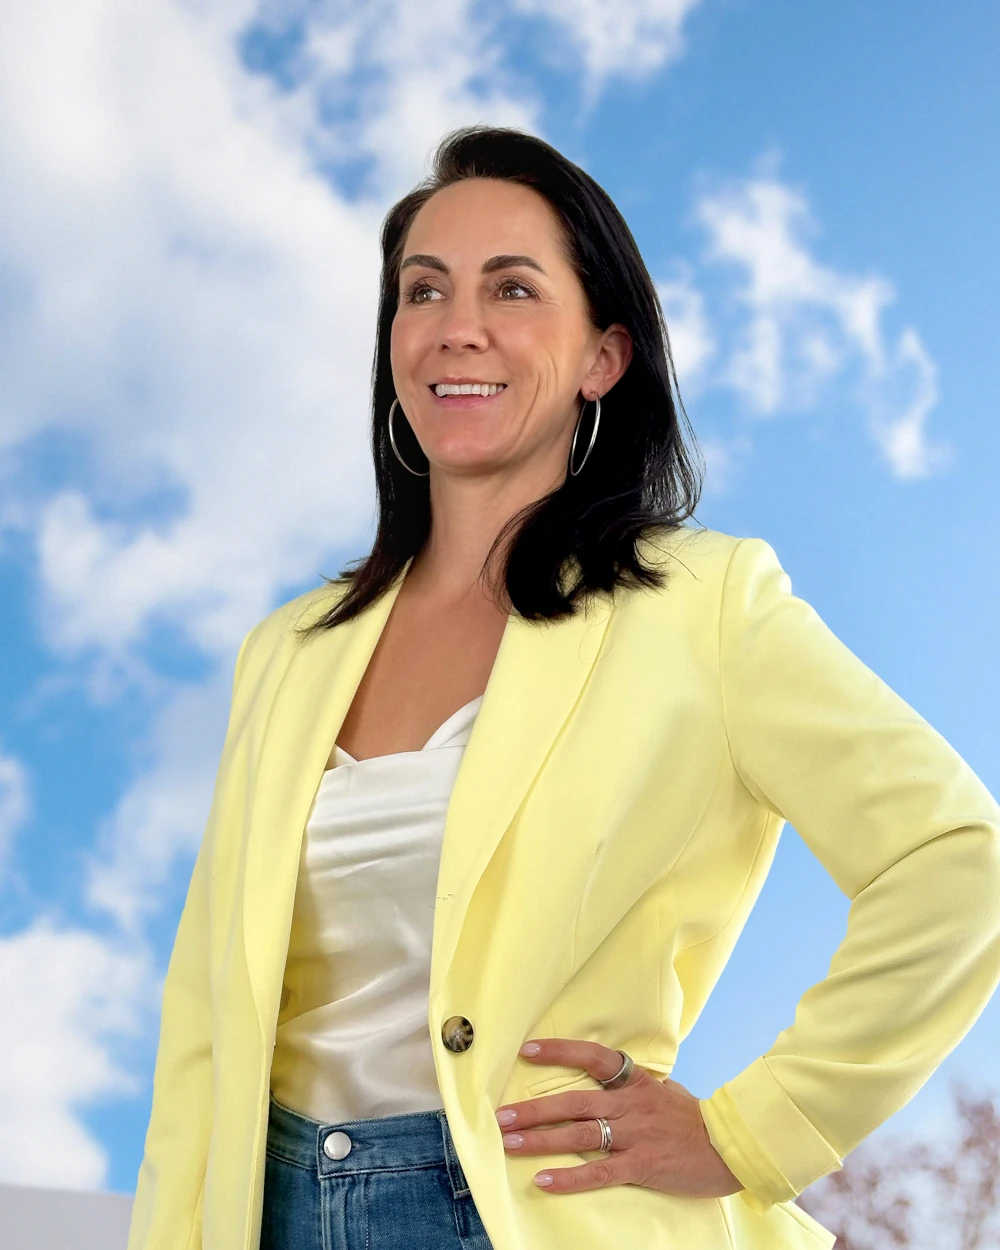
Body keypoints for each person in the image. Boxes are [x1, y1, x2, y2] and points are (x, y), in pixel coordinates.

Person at [126, 126, 1000, 1250]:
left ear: (603, 356)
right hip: (277, 1208)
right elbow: (205, 1022)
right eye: (423, 290)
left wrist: (753, 1131)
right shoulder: (287, 650)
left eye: (514, 288)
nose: (458, 327)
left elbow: (952, 855)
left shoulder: (705, 604)